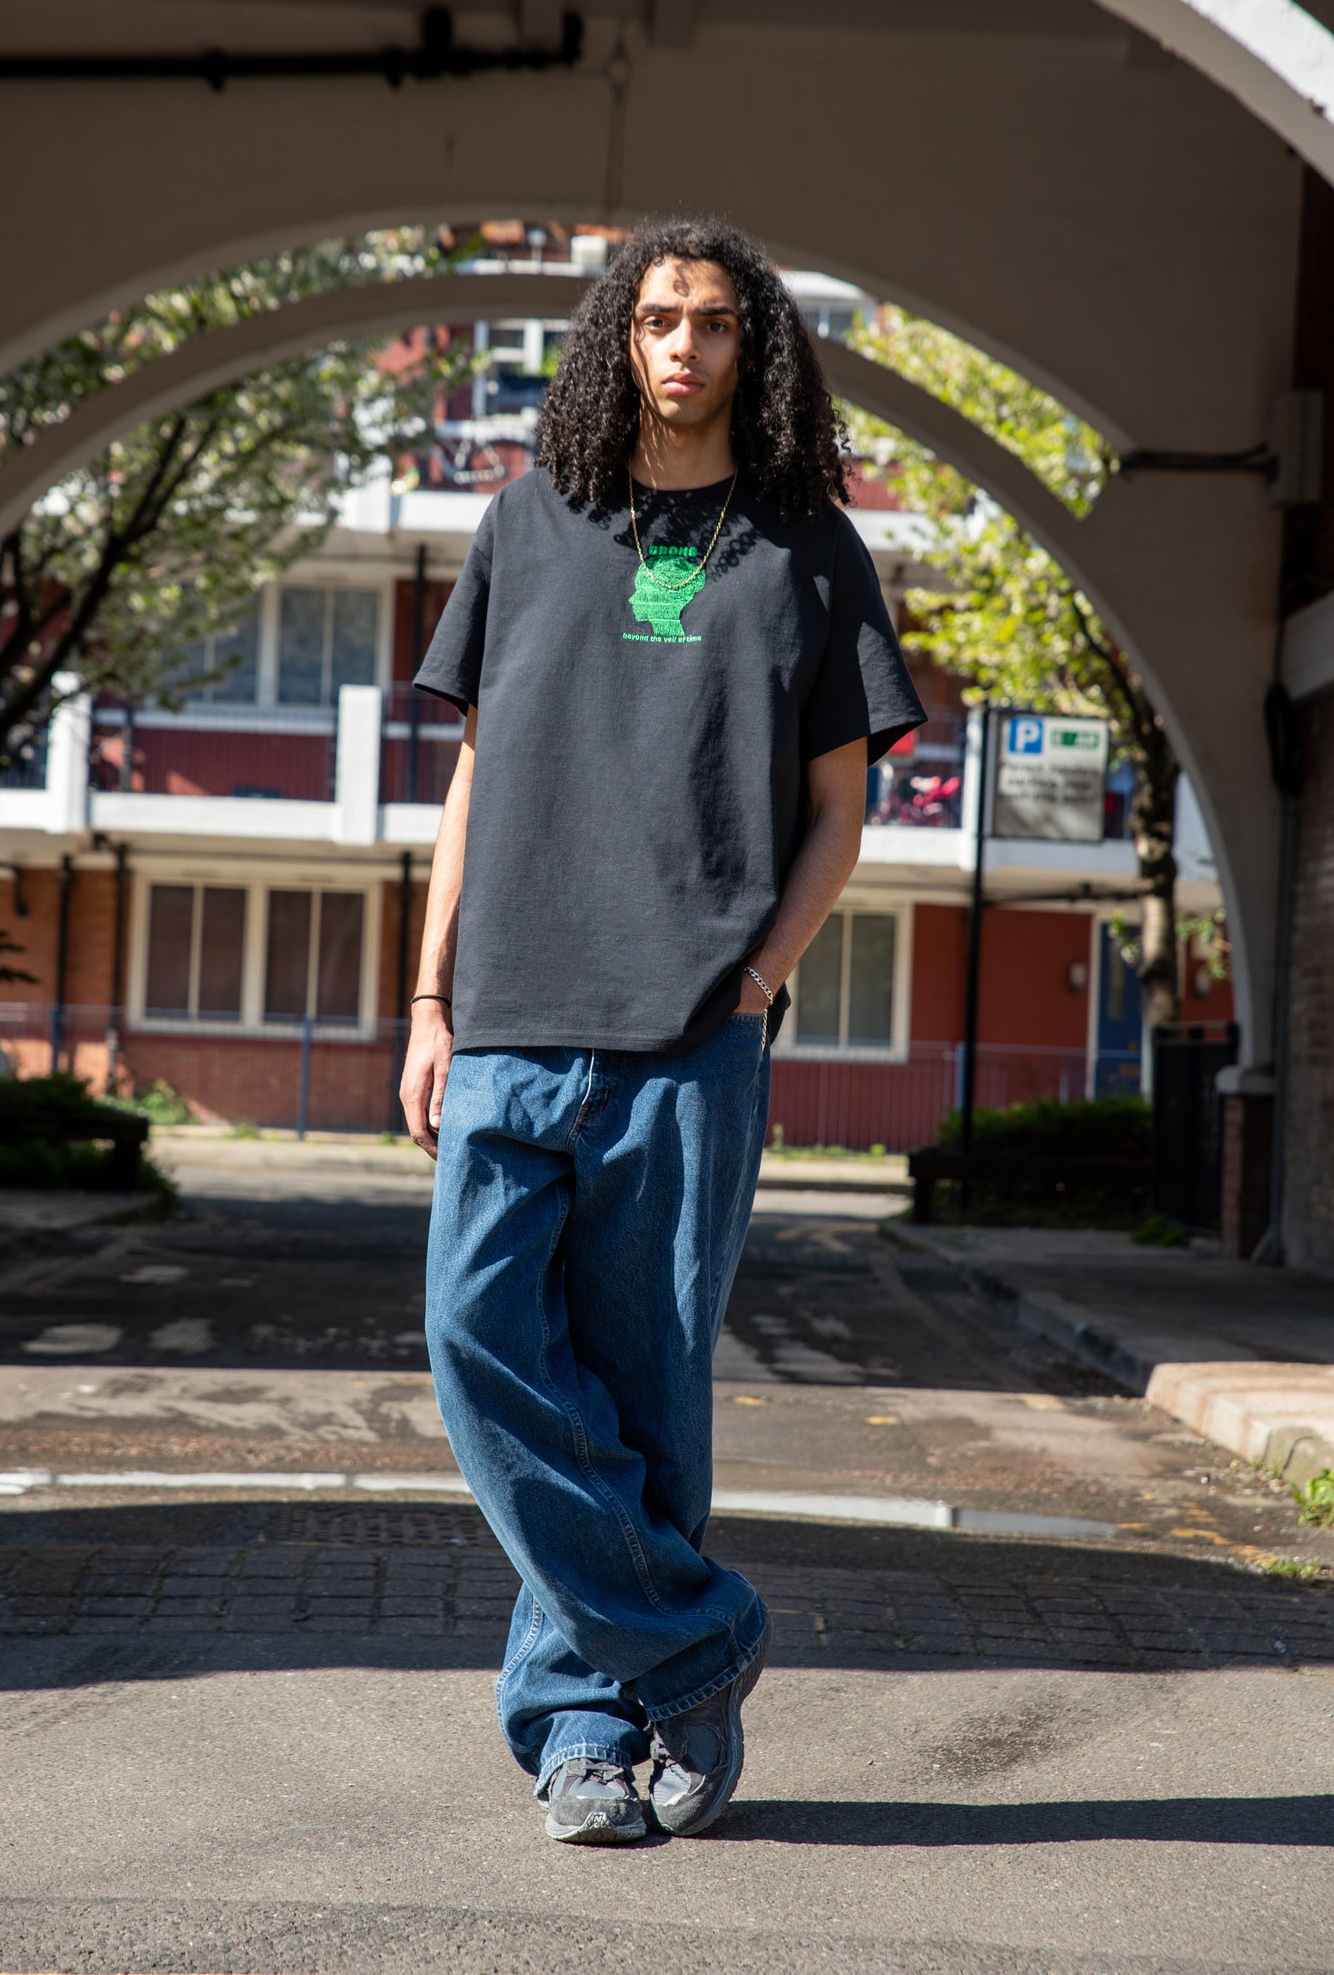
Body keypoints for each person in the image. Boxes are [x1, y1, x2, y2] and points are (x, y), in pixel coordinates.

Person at [402, 220, 924, 1845]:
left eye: (708, 321)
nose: (680, 347)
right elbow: (477, 774)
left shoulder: (809, 551)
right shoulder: (525, 524)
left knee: (643, 1389)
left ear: (749, 346)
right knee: (476, 1341)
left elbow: (843, 804)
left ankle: (583, 1729)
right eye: (653, 321)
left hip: (692, 1033)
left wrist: (763, 974)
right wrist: (425, 995)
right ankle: (696, 1644)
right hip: (506, 1017)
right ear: (614, 343)